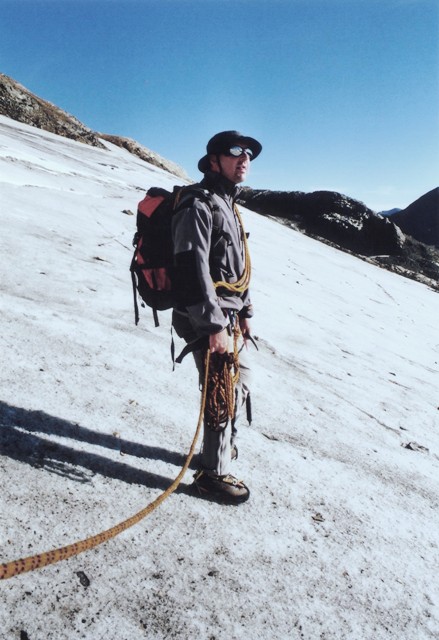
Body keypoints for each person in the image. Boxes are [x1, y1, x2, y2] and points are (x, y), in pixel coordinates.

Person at [171, 130, 262, 504]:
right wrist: (212, 326)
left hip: (226, 315)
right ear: (213, 161)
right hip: (206, 316)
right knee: (222, 392)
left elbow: (235, 265)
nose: (245, 158)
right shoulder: (199, 204)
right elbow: (190, 267)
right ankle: (213, 474)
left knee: (234, 385)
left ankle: (216, 453)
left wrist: (245, 312)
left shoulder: (227, 203)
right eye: (235, 152)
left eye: (249, 154)